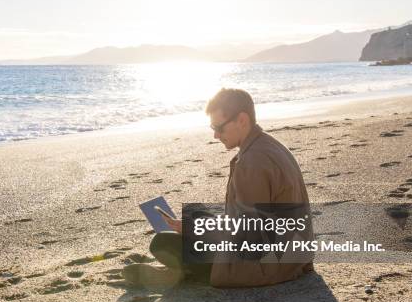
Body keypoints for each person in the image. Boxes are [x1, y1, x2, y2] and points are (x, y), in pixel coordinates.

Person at [123, 88, 314, 288]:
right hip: (294, 253)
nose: (215, 135)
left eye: (219, 128)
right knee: (194, 215)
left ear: (242, 120)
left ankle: (179, 275)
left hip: (269, 263)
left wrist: (195, 230)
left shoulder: (252, 163)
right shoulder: (269, 145)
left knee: (163, 243)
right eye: (212, 128)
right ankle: (186, 266)